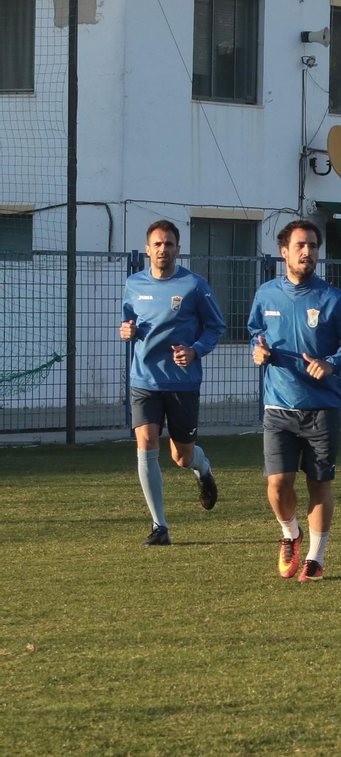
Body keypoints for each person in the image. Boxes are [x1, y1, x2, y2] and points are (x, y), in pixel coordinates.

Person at [248, 220, 341, 582]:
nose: (308, 252)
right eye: (301, 245)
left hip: (322, 408)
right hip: (278, 406)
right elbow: (256, 333)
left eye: (313, 246)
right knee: (277, 484)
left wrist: (331, 364)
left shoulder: (335, 299)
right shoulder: (266, 294)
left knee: (319, 484)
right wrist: (258, 350)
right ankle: (290, 534)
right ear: (284, 251)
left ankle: (315, 559)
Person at [120, 219, 226, 545]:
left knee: (182, 456)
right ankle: (160, 526)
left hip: (182, 383)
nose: (162, 249)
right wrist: (127, 330)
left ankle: (203, 470)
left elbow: (216, 327)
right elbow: (129, 321)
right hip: (144, 379)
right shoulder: (134, 284)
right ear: (147, 249)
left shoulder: (194, 285)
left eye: (168, 244)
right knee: (146, 441)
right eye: (157, 244)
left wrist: (194, 351)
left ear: (178, 249)